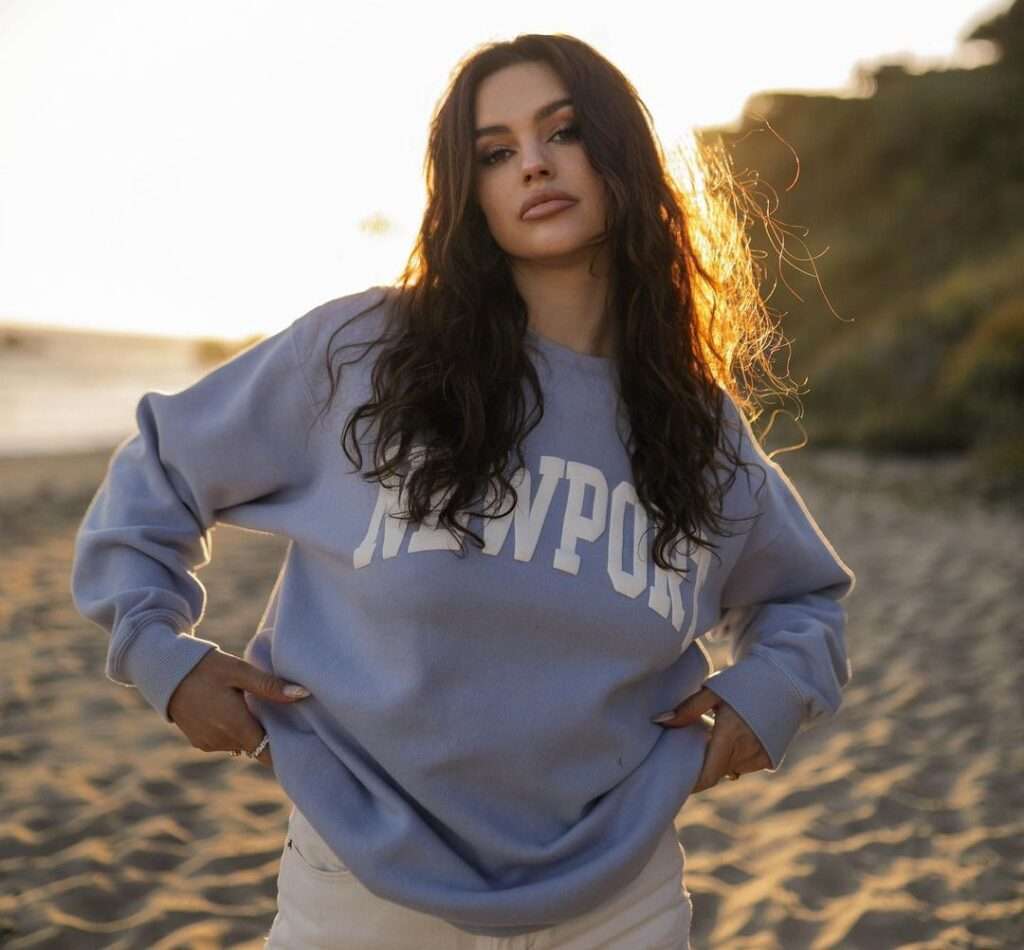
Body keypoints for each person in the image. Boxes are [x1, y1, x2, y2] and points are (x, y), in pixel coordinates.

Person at [70, 32, 855, 950]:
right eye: (495, 150)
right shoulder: (365, 353)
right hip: (364, 889)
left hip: (619, 897)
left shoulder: (693, 420)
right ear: (469, 188)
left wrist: (762, 704)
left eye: (562, 131)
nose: (532, 163)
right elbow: (158, 471)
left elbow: (804, 600)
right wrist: (161, 657)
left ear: (620, 155)